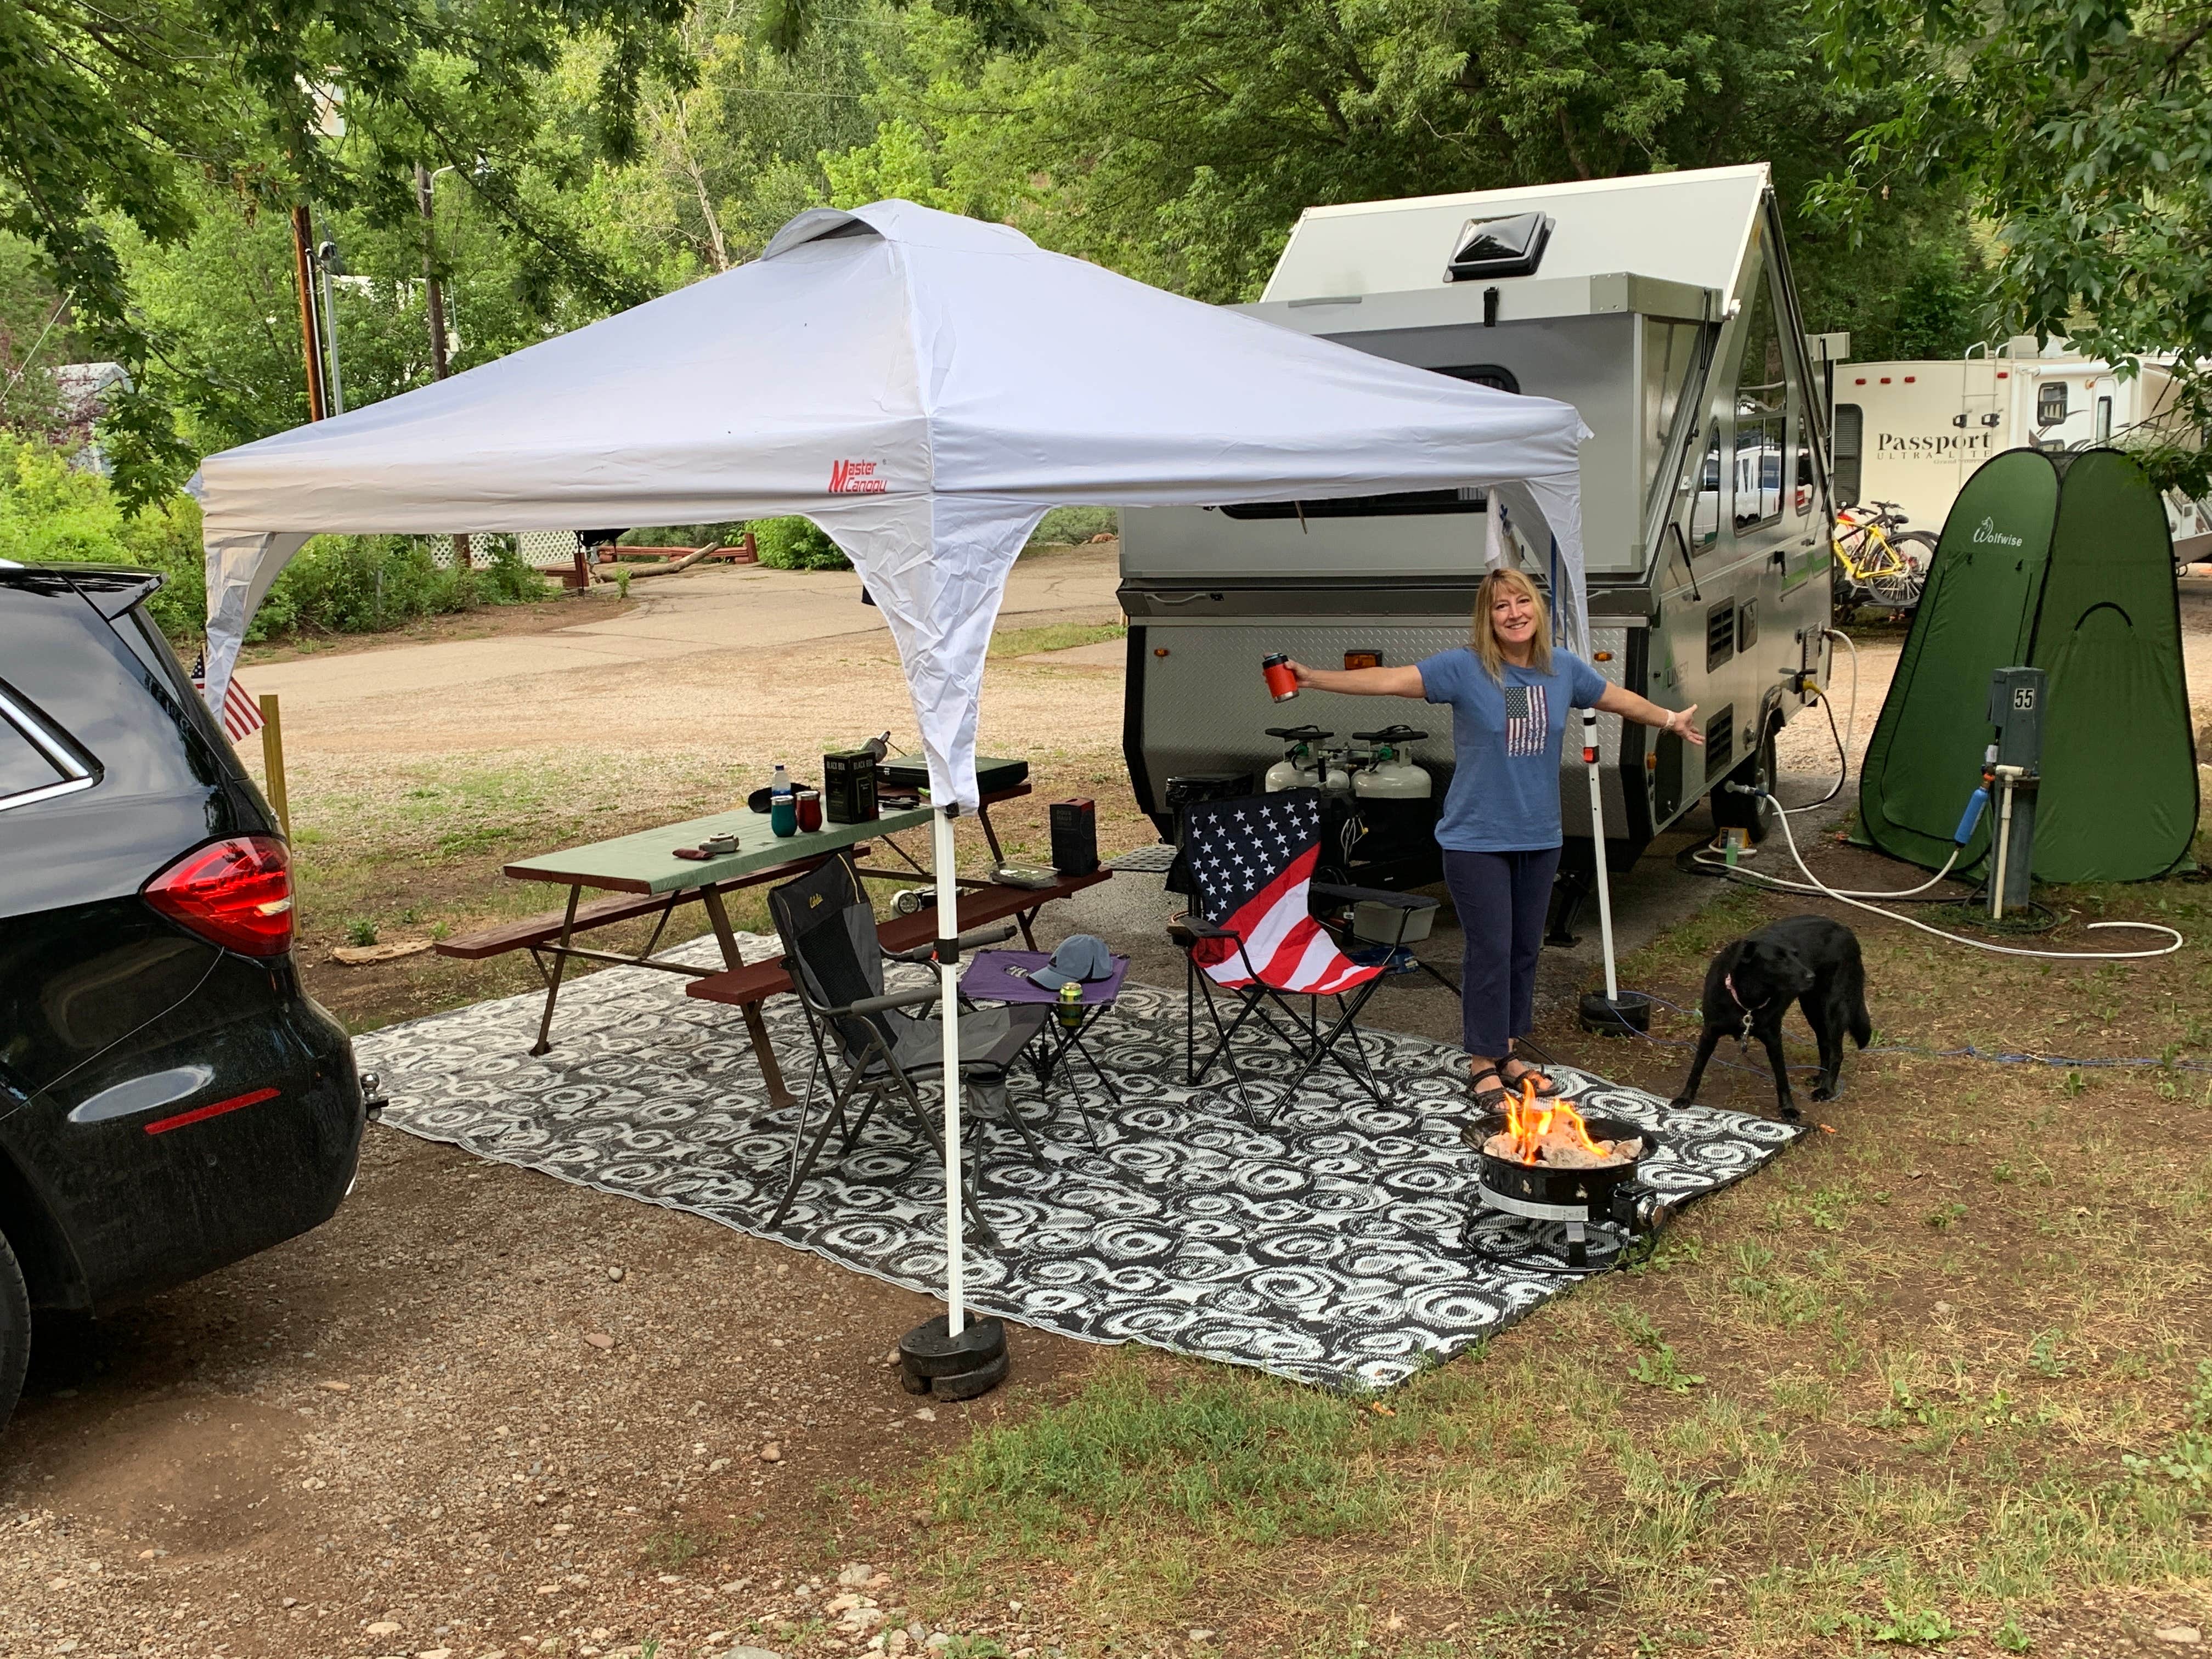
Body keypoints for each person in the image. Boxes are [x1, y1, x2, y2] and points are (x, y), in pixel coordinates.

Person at [1282, 568, 1702, 1110]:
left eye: (1521, 601)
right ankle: (1482, 1063)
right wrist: (1313, 677)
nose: (1513, 613)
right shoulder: (1463, 669)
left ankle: (1507, 1052)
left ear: (1538, 609)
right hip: (1475, 839)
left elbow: (1620, 700)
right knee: (1491, 949)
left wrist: (1671, 719)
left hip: (1540, 836)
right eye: (1500, 606)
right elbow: (1388, 679)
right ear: (1488, 618)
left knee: (1525, 950)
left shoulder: (1564, 671)